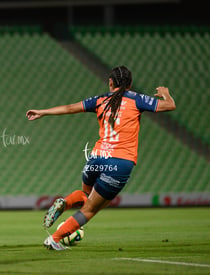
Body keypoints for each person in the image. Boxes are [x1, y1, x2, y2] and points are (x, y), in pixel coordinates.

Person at [26, 66, 176, 250]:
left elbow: (70, 108)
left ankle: (66, 202)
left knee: (86, 196)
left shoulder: (100, 100)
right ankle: (55, 239)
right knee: (90, 209)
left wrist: (42, 112)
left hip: (97, 157)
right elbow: (170, 105)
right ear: (129, 84)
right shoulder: (137, 100)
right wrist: (165, 94)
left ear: (111, 82)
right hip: (120, 162)